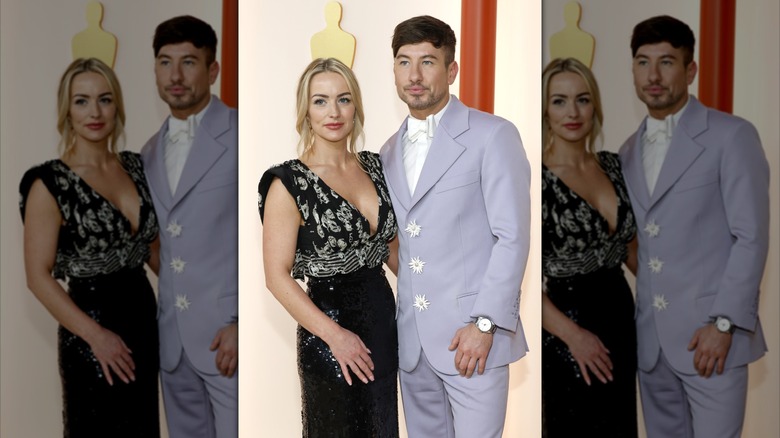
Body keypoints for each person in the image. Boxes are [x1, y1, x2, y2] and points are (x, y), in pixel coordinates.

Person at [379, 15, 531, 437]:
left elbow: (512, 236)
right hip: (412, 346)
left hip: (473, 340)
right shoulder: (387, 152)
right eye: (403, 61)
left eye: (427, 61)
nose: (414, 75)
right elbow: (406, 245)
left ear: (451, 70)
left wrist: (485, 324)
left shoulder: (493, 135)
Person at [619, 15, 769, 438]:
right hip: (651, 347)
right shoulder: (627, 151)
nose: (653, 75)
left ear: (690, 70)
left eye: (666, 62)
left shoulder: (732, 136)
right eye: (643, 62)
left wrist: (724, 324)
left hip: (711, 341)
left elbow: (751, 237)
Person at [20, 57, 160, 437]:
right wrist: (96, 336)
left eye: (105, 99)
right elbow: (37, 277)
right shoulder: (49, 182)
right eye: (81, 101)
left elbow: (155, 252)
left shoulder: (136, 167)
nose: (94, 112)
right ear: (67, 110)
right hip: (90, 328)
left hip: (144, 322)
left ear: (118, 106)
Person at [259, 57, 399, 437]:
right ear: (305, 110)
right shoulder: (288, 182)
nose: (333, 112)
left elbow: (395, 252)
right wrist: (335, 336)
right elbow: (276, 277)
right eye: (320, 101)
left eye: (344, 99)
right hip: (329, 335)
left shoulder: (377, 167)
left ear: (357, 106)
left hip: (385, 330)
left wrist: (436, 306)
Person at [140, 15, 238, 438]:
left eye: (188, 62)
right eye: (165, 62)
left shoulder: (242, 134)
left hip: (227, 340)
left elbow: (268, 238)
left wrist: (242, 322)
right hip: (172, 342)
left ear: (212, 69)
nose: (175, 76)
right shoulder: (148, 150)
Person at [541, 57, 638, 437]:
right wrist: (573, 335)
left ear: (595, 106)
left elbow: (633, 253)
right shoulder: (534, 179)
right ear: (545, 110)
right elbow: (522, 277)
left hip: (620, 315)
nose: (572, 112)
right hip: (567, 323)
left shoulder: (614, 166)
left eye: (582, 99)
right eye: (559, 101)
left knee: (618, 424)